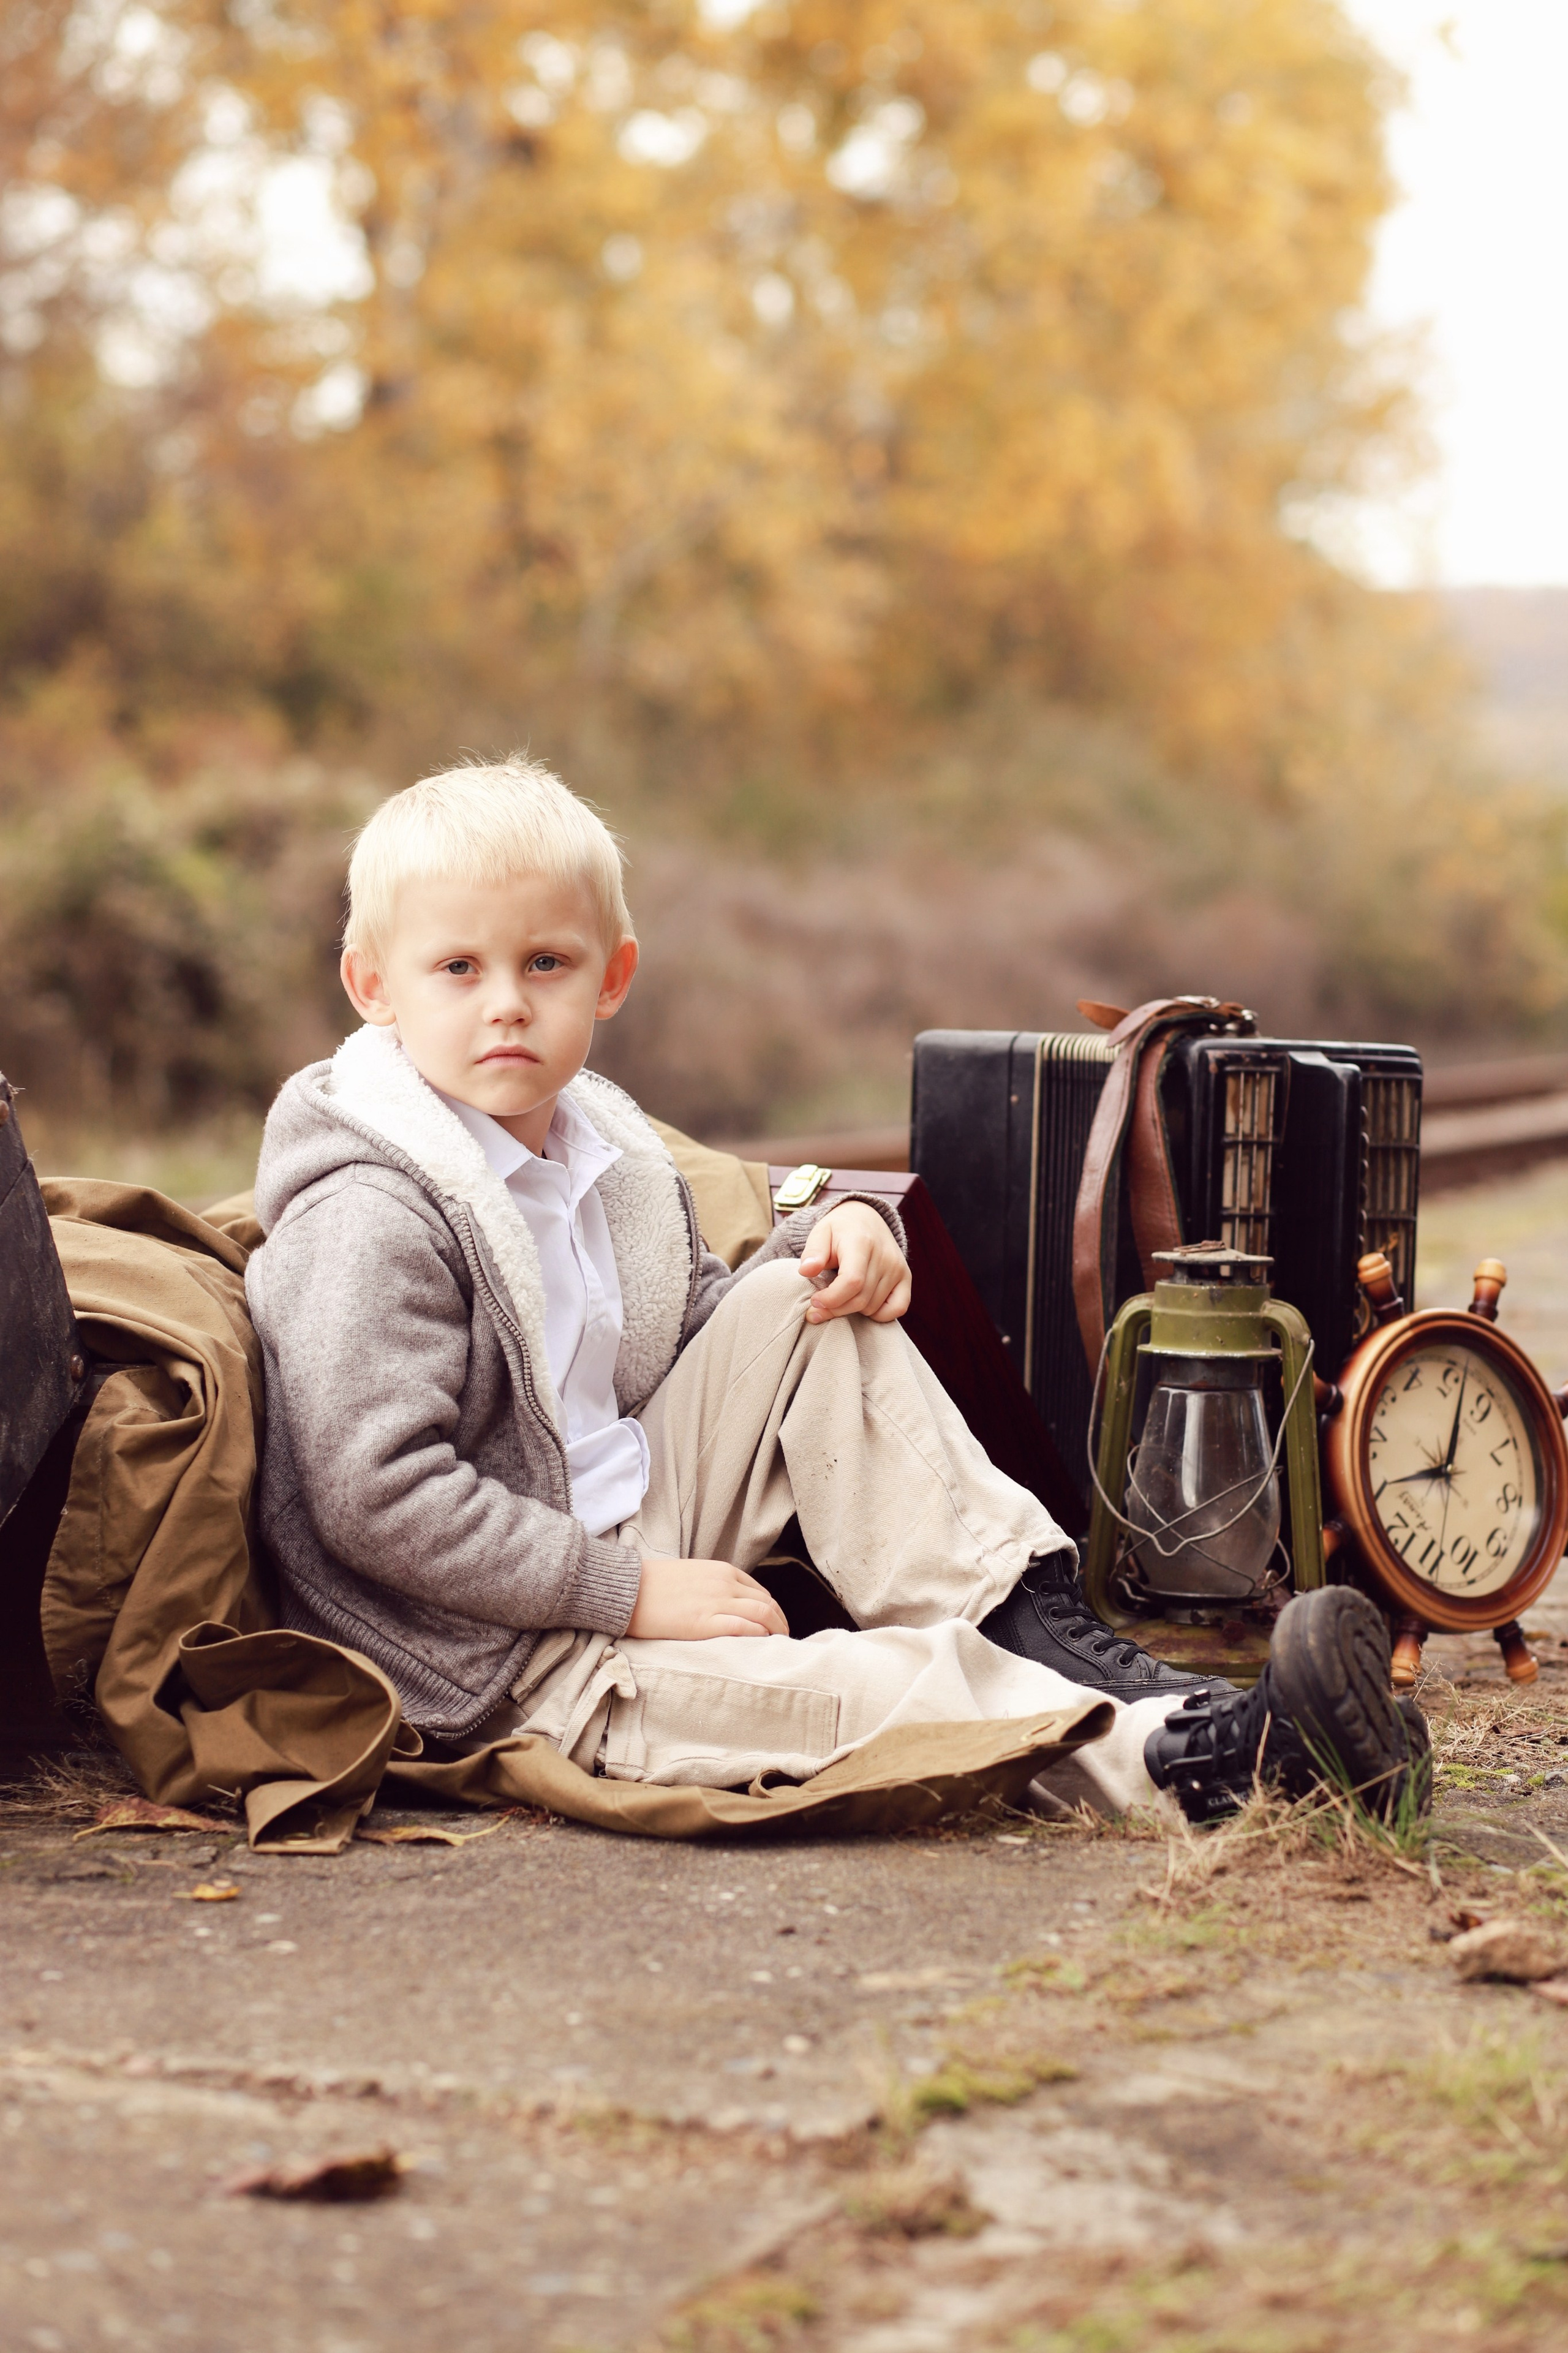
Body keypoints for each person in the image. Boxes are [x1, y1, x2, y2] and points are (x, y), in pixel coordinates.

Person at [244, 760, 1427, 1826]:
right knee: (846, 1684)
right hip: (501, 1650)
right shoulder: (375, 1209)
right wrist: (629, 1592)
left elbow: (697, 1332)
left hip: (618, 1523)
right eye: (458, 968)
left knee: (810, 1306)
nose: (506, 1001)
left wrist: (836, 1229)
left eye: (544, 963)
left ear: (611, 979)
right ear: (373, 986)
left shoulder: (594, 1146)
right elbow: (375, 1495)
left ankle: (1049, 1631)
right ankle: (1204, 1763)